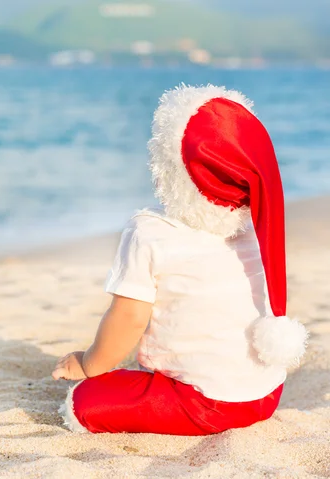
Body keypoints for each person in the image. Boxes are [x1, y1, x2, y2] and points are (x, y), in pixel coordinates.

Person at [52, 84, 309, 436]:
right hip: (266, 395)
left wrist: (89, 363)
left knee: (84, 402)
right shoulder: (256, 225)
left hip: (204, 404)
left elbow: (128, 318)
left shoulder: (150, 231)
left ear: (169, 167)